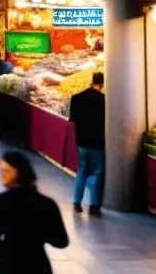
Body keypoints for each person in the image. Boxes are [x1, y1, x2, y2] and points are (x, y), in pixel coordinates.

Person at [0, 151, 68, 273]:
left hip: (7, 266)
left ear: (19, 172)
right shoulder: (47, 204)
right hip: (38, 265)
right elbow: (61, 241)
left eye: (6, 171)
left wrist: (10, 249)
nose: (2, 175)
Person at [68, 71, 105, 215]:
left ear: (91, 81)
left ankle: (77, 202)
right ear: (101, 85)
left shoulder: (77, 98)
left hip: (81, 141)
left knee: (82, 170)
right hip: (97, 142)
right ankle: (94, 206)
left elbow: (73, 120)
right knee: (96, 172)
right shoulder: (104, 100)